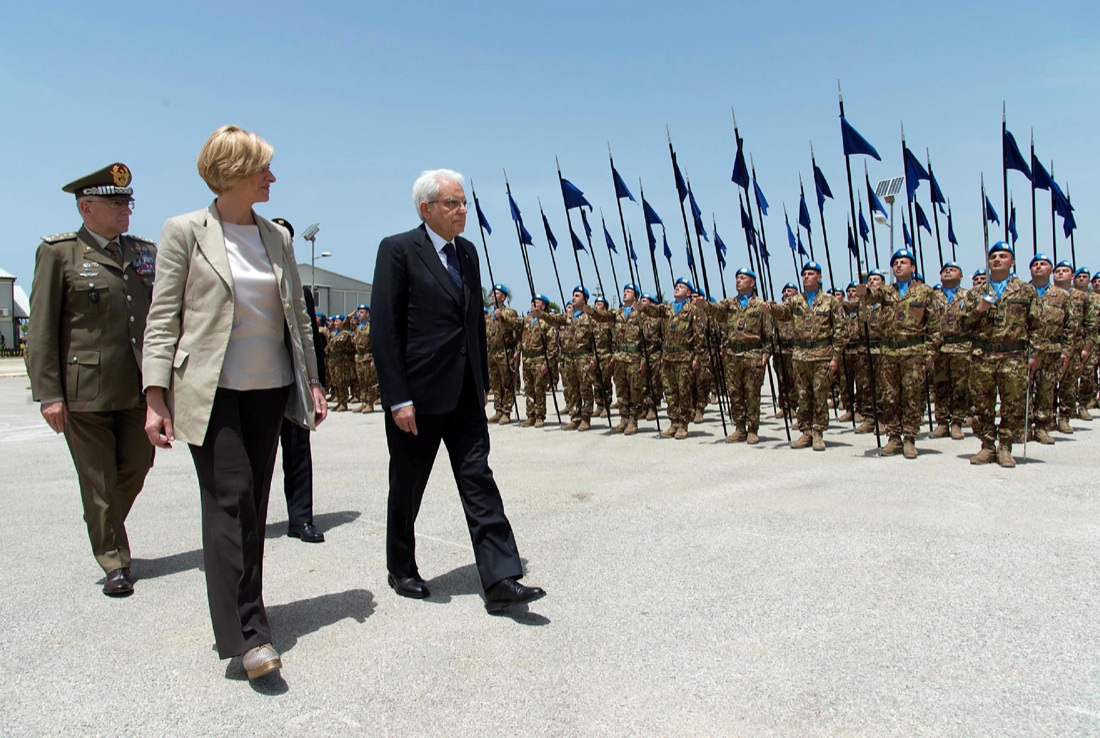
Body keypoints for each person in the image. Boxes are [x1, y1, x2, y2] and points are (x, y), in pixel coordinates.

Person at [142, 125, 327, 680]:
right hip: (210, 390)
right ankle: (246, 634)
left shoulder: (277, 237)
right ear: (233, 175)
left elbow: (296, 317)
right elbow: (162, 317)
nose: (272, 177)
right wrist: (155, 396)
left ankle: (249, 609)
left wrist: (311, 382)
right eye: (263, 169)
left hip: (267, 391)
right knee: (231, 498)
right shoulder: (183, 232)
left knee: (252, 505)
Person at [371, 169, 545, 614]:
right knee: (408, 484)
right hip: (418, 397)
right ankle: (401, 567)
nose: (462, 210)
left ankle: (501, 576)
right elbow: (385, 331)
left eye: (463, 201)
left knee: (478, 480)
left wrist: (482, 381)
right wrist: (398, 398)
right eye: (452, 203)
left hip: (465, 394)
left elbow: (472, 324)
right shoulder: (398, 251)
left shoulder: (467, 252)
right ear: (426, 209)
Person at [26, 162, 156, 597]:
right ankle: (115, 562)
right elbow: (41, 329)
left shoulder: (142, 252)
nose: (126, 210)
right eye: (116, 202)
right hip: (84, 392)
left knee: (138, 464)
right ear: (86, 208)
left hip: (136, 386)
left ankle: (104, 524)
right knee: (98, 478)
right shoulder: (60, 253)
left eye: (128, 201)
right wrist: (48, 393)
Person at [855, 248, 941, 459]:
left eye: (903, 262)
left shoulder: (925, 292)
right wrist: (864, 291)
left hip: (914, 351)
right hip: (889, 352)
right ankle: (894, 437)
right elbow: (870, 297)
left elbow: (935, 326)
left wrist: (931, 352)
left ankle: (910, 438)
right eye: (895, 263)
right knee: (889, 396)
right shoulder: (886, 291)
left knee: (912, 396)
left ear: (912, 267)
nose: (899, 266)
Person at [271, 217, 326, 543]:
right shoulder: (253, 280)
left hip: (295, 383)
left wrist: (316, 382)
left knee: (298, 452)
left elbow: (310, 340)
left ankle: (301, 518)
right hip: (259, 382)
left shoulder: (302, 291)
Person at [962, 242, 1039, 468]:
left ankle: (1005, 446)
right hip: (982, 355)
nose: (997, 260)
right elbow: (959, 324)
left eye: (1003, 256)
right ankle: (987, 446)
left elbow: (1037, 325)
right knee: (981, 404)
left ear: (1012, 262)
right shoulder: (976, 292)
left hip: (1013, 355)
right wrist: (978, 310)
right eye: (993, 256)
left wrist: (1036, 355)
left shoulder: (1025, 290)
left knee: (1012, 403)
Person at [764, 262, 845, 451]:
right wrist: (771, 309)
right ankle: (805, 431)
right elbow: (783, 313)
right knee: (803, 395)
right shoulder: (796, 300)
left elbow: (841, 330)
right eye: (804, 274)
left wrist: (835, 357)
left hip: (822, 355)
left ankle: (818, 433)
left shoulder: (830, 301)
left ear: (819, 277)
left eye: (811, 274)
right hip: (800, 355)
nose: (806, 277)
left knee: (819, 394)